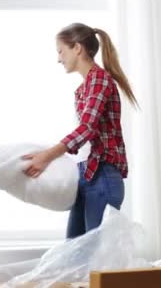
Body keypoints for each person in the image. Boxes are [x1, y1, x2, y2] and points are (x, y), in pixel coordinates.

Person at [22, 22, 137, 238]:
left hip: (102, 176)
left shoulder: (99, 80)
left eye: (60, 51)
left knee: (96, 258)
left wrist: (47, 156)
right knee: (74, 255)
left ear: (77, 48)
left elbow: (87, 129)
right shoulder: (84, 88)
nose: (58, 58)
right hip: (87, 175)